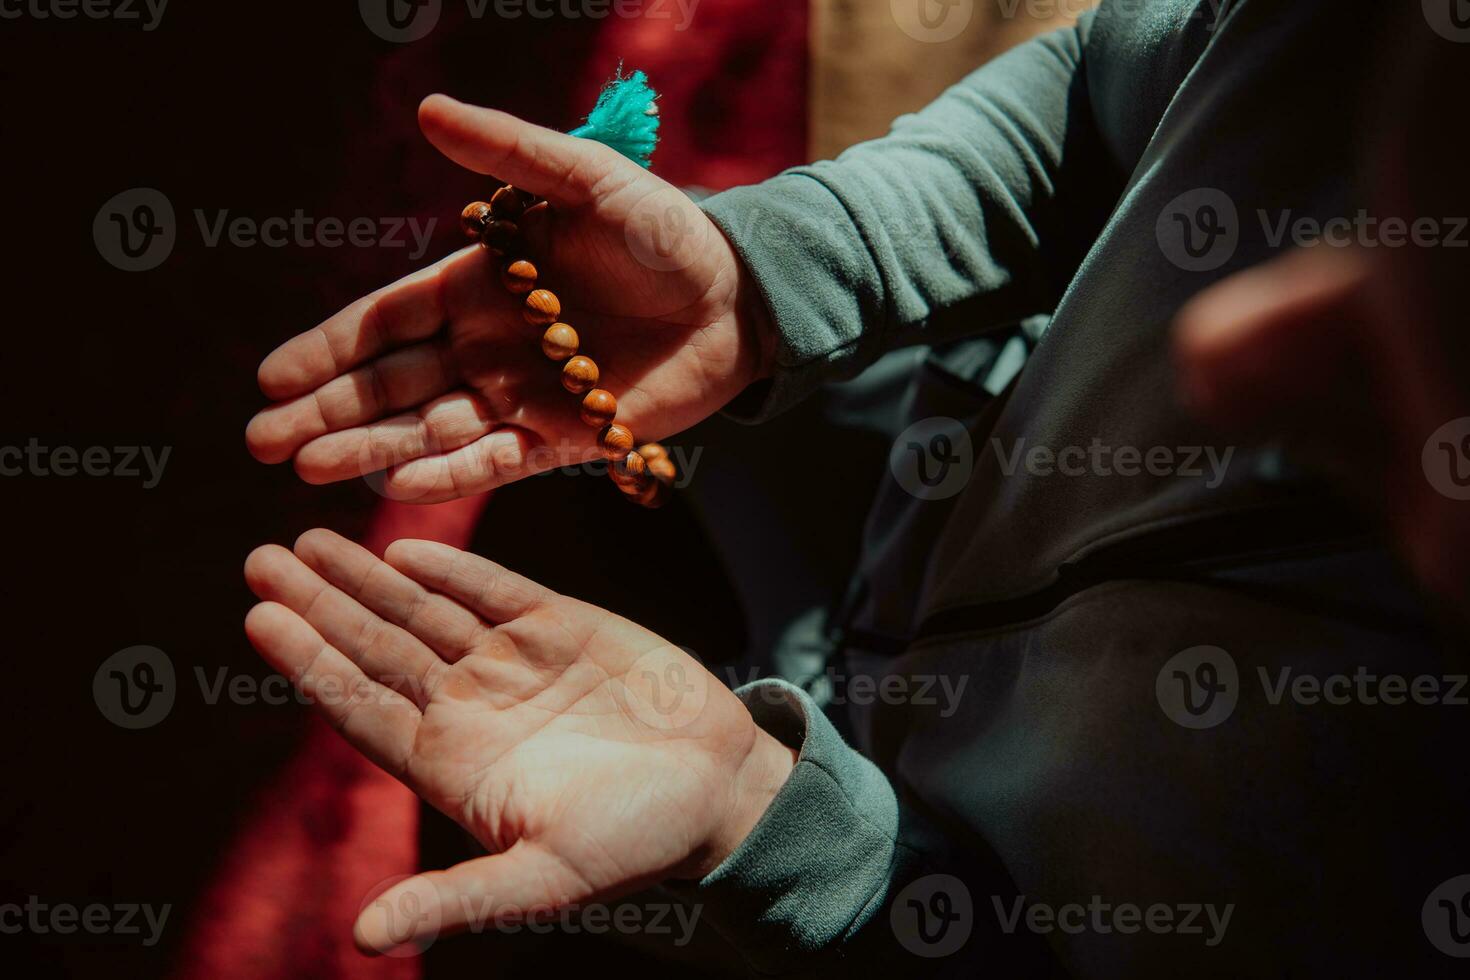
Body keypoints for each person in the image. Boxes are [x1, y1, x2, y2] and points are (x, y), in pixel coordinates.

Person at [242, 0, 1469, 973]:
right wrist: (778, 273)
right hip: (866, 479)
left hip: (858, 856)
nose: (1228, 346)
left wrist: (765, 827)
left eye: (1435, 361)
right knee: (557, 517)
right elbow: (1114, 89)